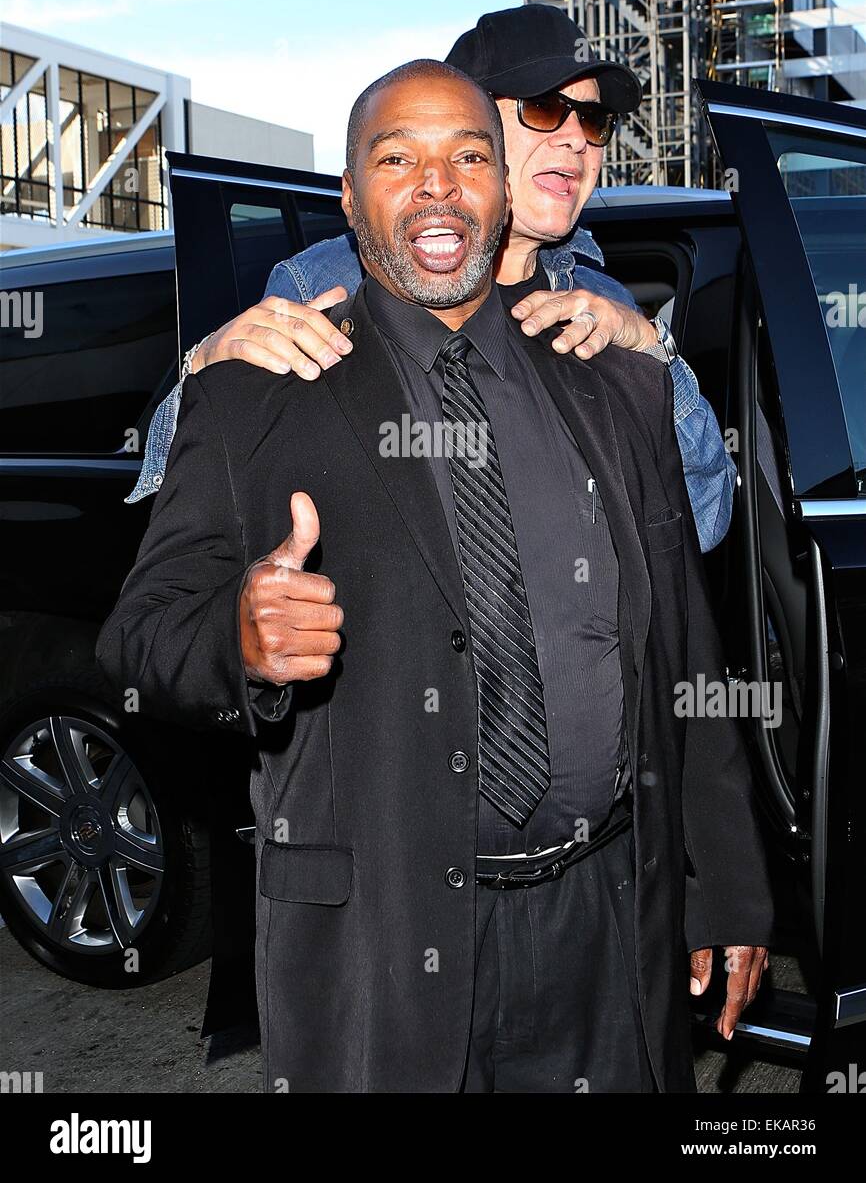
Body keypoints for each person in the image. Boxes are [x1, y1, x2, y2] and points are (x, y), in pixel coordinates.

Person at [98, 59, 772, 1094]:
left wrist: (725, 885)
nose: (436, 185)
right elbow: (139, 637)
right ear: (346, 197)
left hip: (608, 929)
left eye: (465, 157)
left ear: (499, 190)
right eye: (396, 159)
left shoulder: (615, 380)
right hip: (384, 949)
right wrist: (239, 641)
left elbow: (679, 639)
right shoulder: (255, 387)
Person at [129, 4, 736, 555]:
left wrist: (656, 356)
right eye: (547, 109)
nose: (577, 139)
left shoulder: (602, 300)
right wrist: (204, 371)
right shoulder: (332, 281)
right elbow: (191, 506)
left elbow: (701, 522)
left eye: (595, 120)